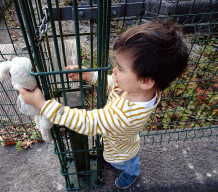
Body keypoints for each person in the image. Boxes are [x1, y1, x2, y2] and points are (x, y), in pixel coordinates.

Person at [19, 20, 189, 189]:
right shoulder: (137, 90)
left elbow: (85, 121)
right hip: (118, 142)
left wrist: (41, 104)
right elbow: (111, 84)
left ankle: (133, 172)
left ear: (145, 81)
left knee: (126, 163)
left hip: (122, 154)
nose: (114, 70)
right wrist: (88, 75)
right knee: (113, 155)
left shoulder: (124, 115)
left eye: (121, 69)